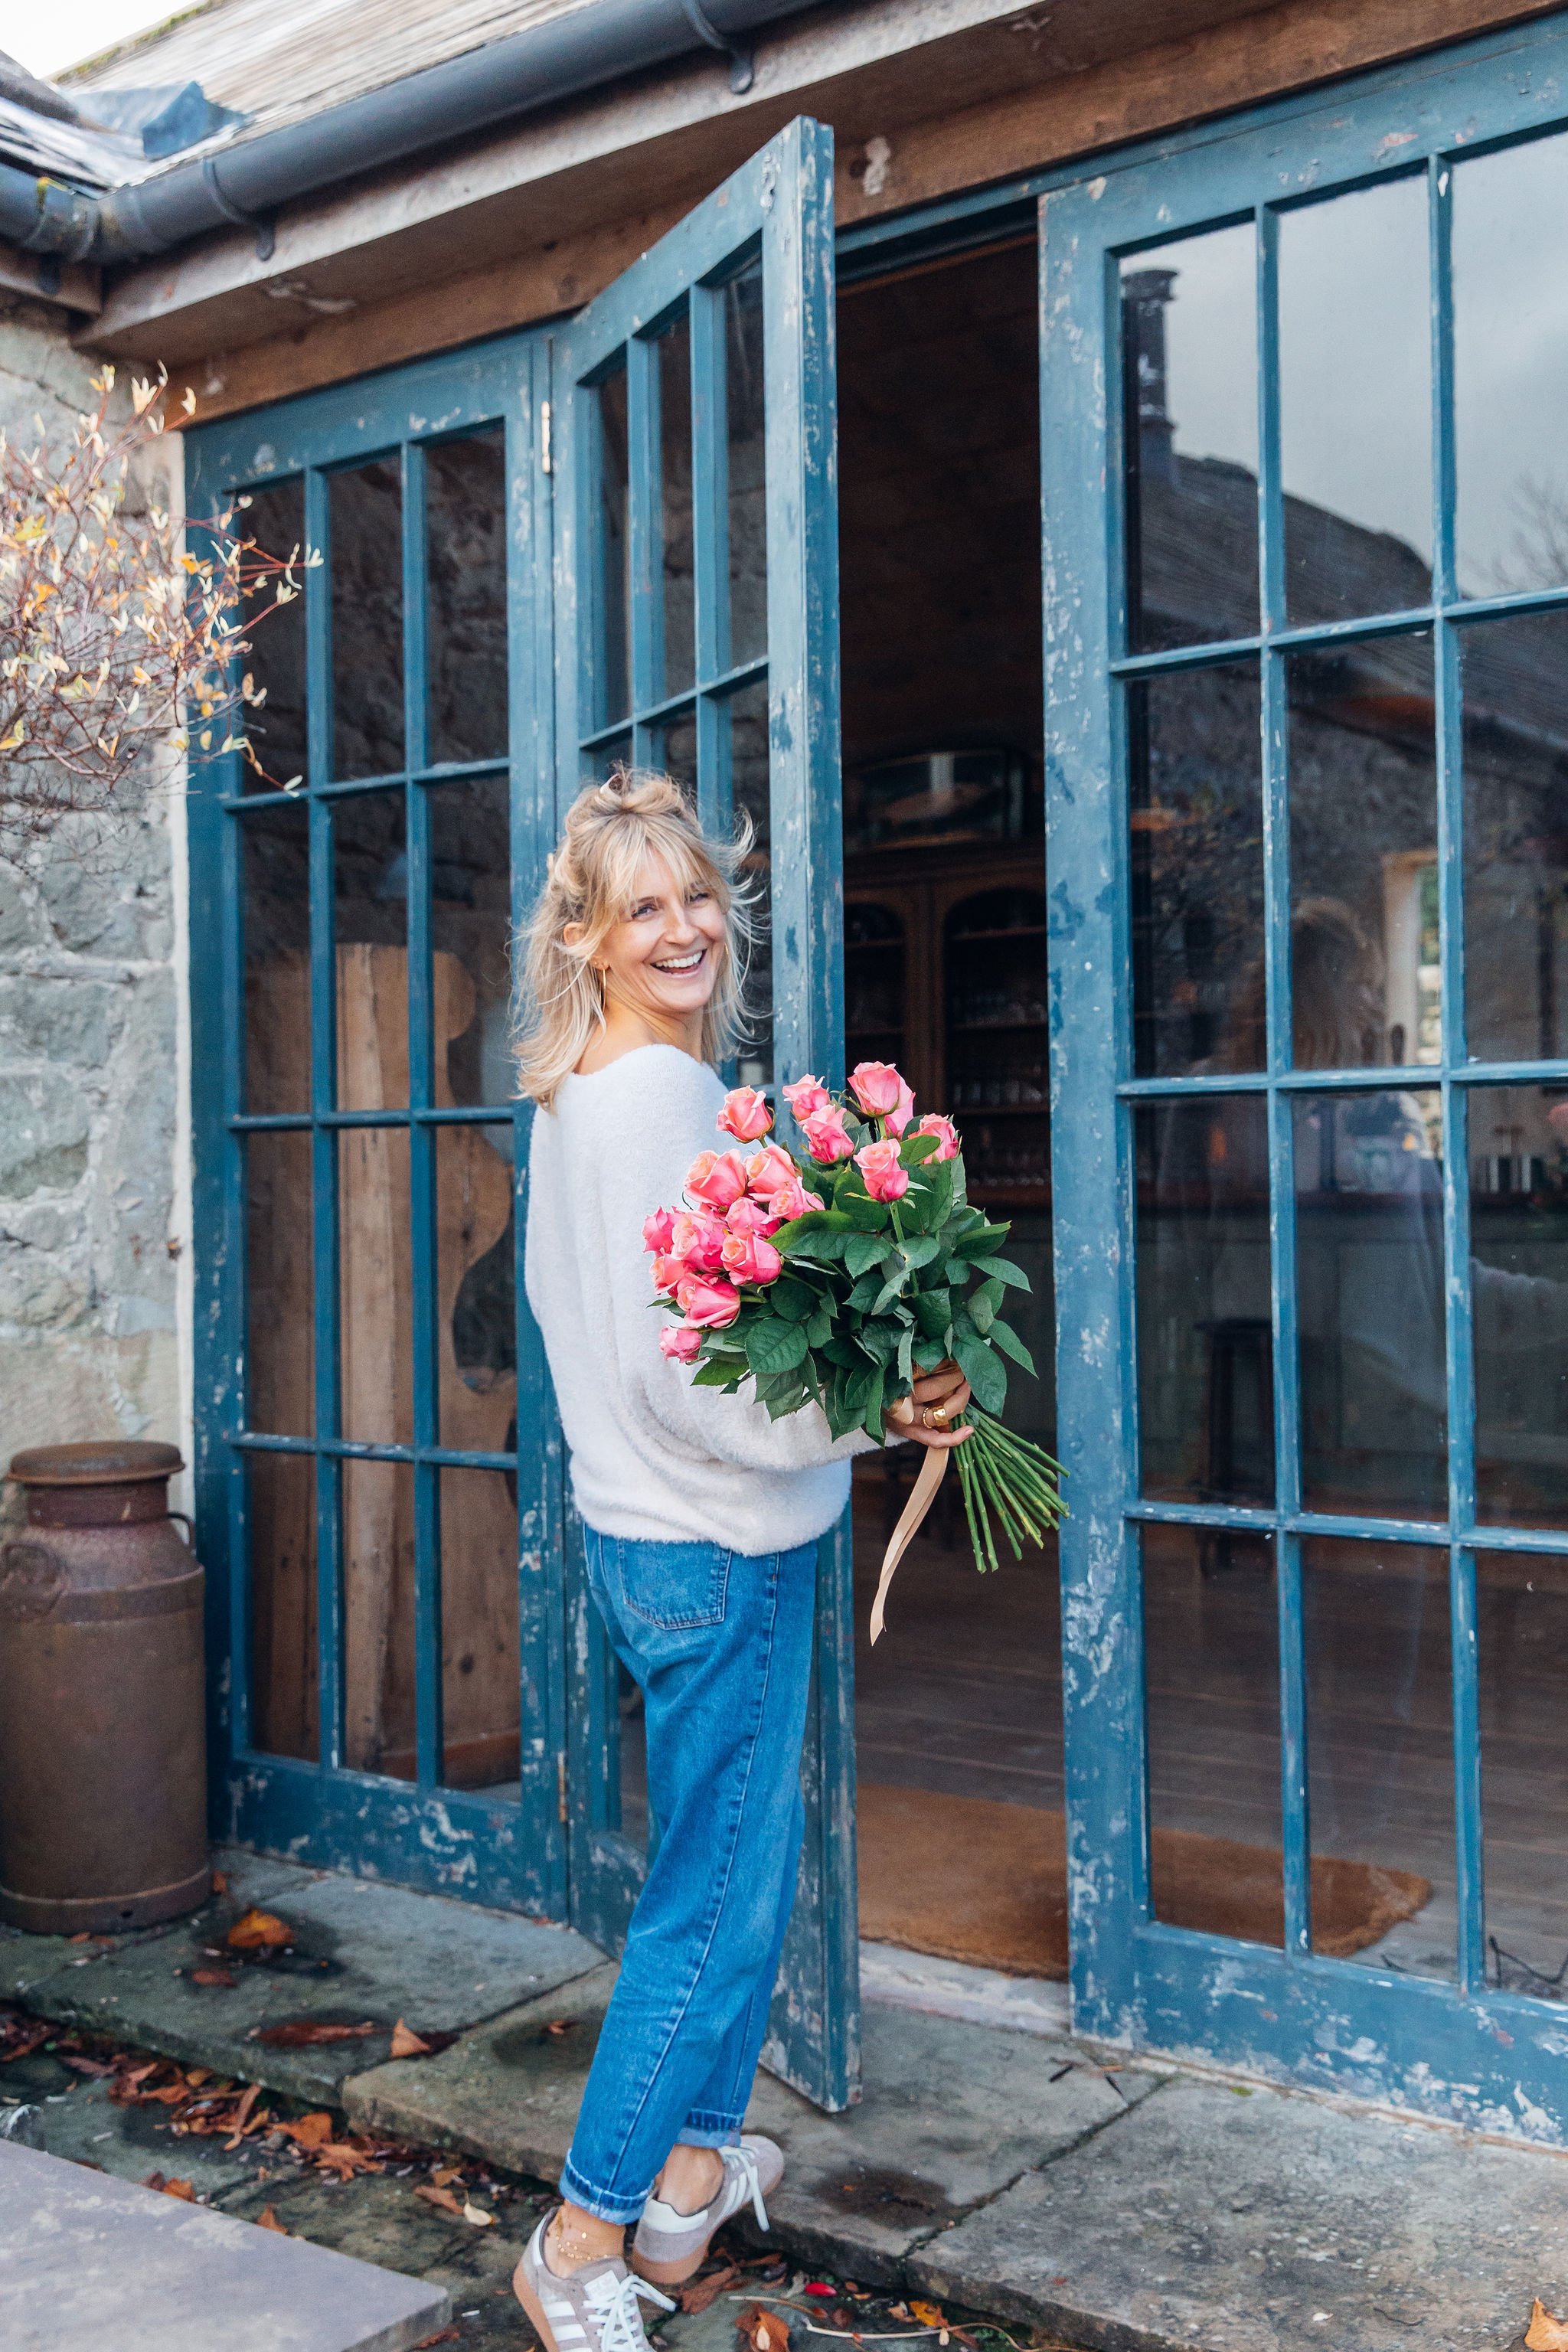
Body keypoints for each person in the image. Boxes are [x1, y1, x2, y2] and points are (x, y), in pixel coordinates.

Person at [511, 769, 971, 2352]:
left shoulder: (581, 1090)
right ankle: (578, 2238)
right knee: (709, 1906)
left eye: (698, 895)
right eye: (645, 907)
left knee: (737, 1882)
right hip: (717, 1544)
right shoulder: (650, 1102)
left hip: (653, 1545)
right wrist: (872, 1412)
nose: (687, 926)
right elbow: (687, 1375)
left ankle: (687, 2189)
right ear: (586, 934)